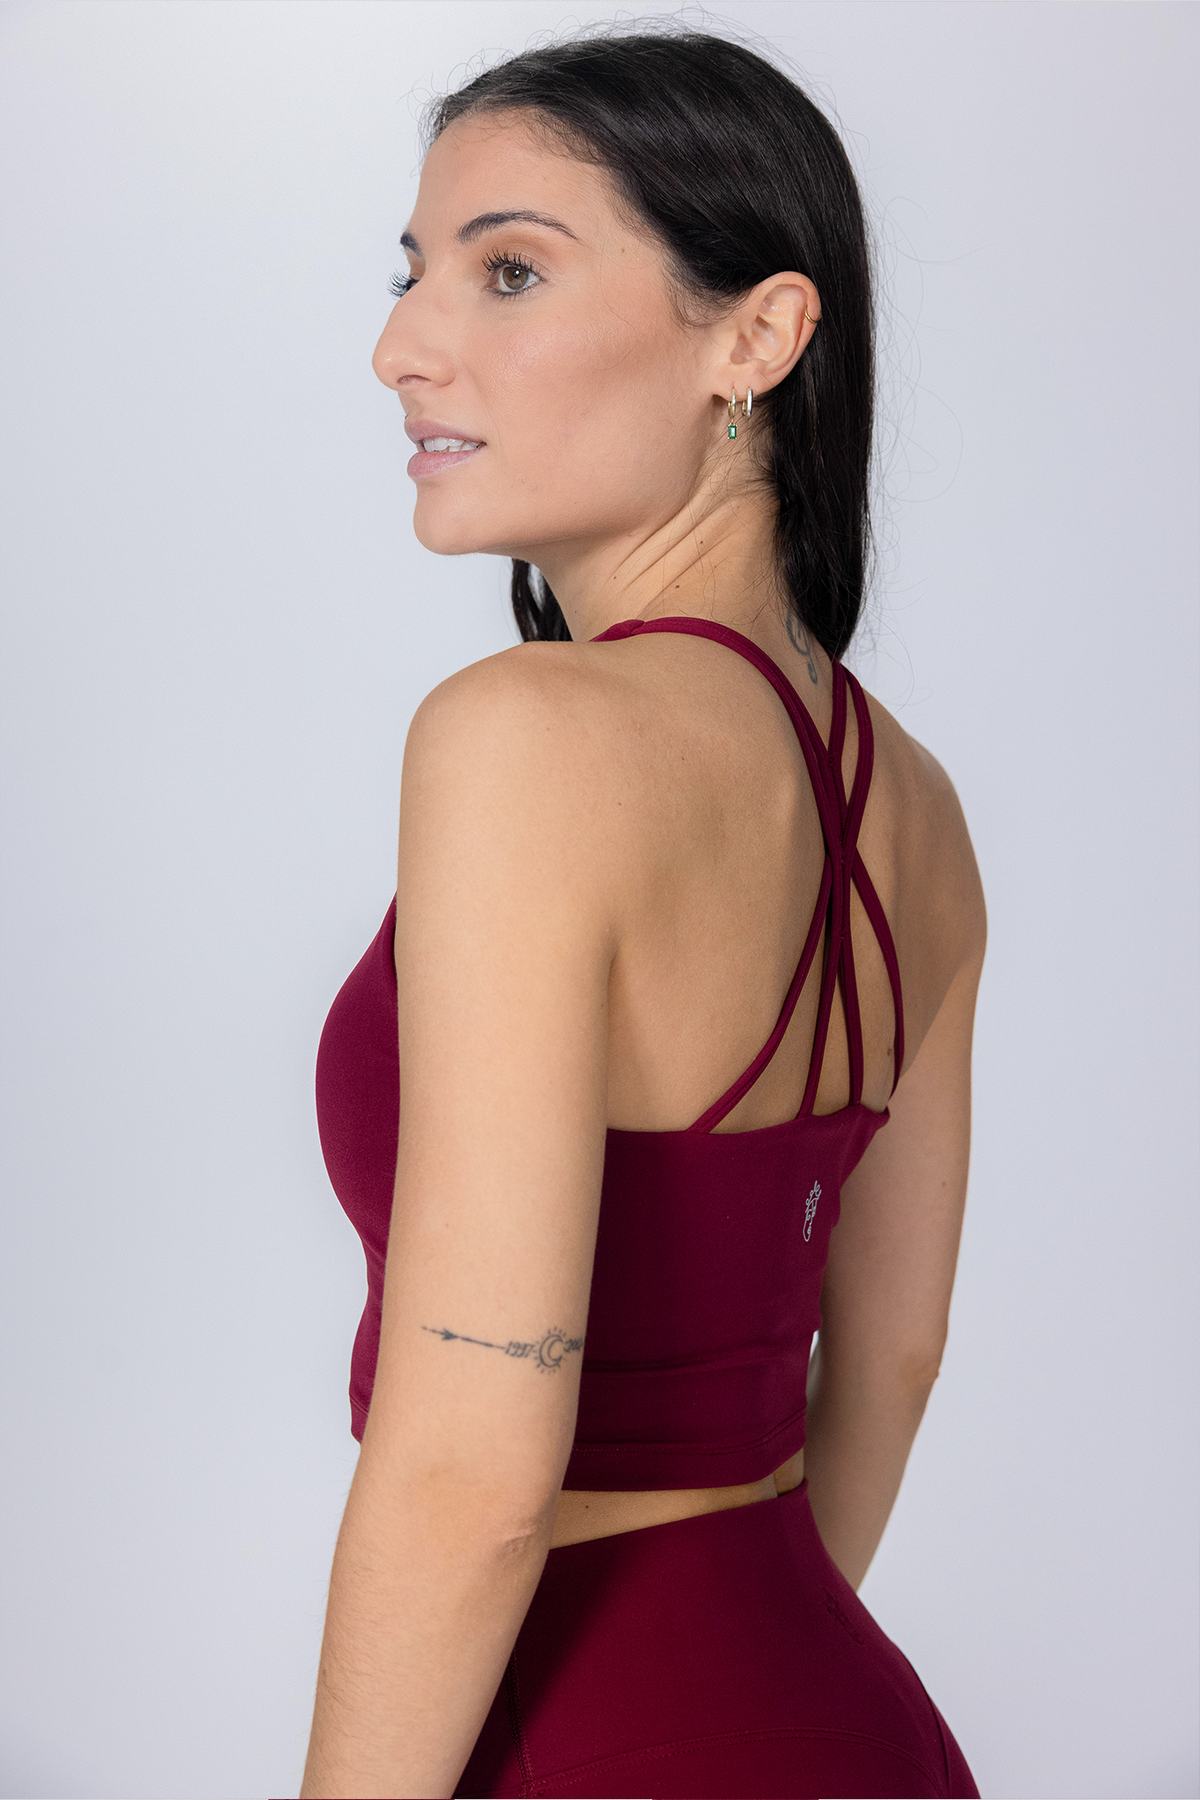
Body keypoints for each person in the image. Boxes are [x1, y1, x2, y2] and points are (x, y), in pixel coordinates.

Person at [302, 25, 985, 1800]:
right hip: (840, 1713)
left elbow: (472, 1471)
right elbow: (894, 1355)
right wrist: (746, 1679)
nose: (403, 346)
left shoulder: (523, 741)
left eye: (510, 270)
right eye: (410, 271)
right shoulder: (915, 807)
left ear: (756, 337)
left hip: (586, 1737)